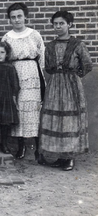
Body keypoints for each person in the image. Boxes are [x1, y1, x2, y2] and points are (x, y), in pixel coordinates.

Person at [40, 11, 92, 171]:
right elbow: (48, 67)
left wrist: (74, 77)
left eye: (61, 23)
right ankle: (60, 157)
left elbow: (87, 65)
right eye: (55, 24)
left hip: (72, 86)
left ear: (69, 24)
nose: (58, 26)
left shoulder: (78, 45)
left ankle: (69, 158)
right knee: (57, 120)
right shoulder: (49, 46)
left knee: (69, 120)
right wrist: (58, 76)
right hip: (55, 85)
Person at [2, 3, 45, 160]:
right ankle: (20, 147)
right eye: (13, 17)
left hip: (32, 74)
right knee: (18, 108)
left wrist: (39, 77)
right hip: (14, 73)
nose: (16, 20)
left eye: (19, 16)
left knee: (33, 109)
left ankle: (37, 149)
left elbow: (42, 57)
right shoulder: (7, 37)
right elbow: (4, 58)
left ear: (25, 16)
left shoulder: (34, 35)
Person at [0, 41, 20, 154]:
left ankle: (4, 144)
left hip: (6, 98)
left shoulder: (10, 67)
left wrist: (14, 96)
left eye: (2, 52)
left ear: (6, 54)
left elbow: (15, 84)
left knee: (5, 123)